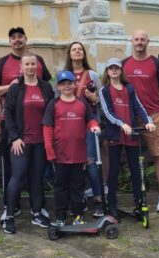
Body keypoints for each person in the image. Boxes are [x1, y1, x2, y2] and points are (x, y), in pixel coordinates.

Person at [0, 27, 52, 221]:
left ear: (26, 39)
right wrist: (11, 87)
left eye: (20, 37)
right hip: (12, 126)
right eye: (13, 38)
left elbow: (48, 95)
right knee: (12, 170)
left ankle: (37, 208)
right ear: (10, 42)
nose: (17, 40)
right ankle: (11, 207)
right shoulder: (3, 62)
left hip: (38, 131)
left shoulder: (39, 63)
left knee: (37, 173)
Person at [2, 53, 55, 234]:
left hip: (41, 141)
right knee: (16, 177)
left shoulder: (46, 87)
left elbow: (52, 112)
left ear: (37, 66)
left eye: (33, 64)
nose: (30, 67)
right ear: (21, 67)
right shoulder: (15, 88)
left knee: (37, 178)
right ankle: (9, 216)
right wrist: (14, 137)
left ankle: (37, 213)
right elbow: (8, 114)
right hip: (21, 142)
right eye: (27, 64)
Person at [123, 30, 159, 212]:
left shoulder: (155, 63)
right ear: (132, 41)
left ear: (147, 42)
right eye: (136, 39)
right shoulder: (124, 64)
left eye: (142, 39)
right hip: (129, 117)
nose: (139, 42)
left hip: (153, 115)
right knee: (122, 153)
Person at [42, 70, 100, 227]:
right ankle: (60, 216)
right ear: (58, 87)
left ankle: (78, 215)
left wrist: (94, 126)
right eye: (63, 84)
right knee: (60, 187)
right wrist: (49, 150)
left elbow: (90, 120)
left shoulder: (82, 103)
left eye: (69, 83)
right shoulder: (53, 104)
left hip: (78, 154)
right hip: (59, 155)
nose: (67, 86)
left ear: (75, 85)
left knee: (77, 187)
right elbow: (47, 128)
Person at [99, 58, 155, 219]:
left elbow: (138, 107)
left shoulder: (129, 89)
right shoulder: (104, 91)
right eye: (111, 68)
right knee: (114, 171)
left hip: (132, 135)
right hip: (115, 135)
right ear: (107, 71)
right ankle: (112, 205)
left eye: (116, 68)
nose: (114, 70)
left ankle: (139, 203)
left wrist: (148, 122)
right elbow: (108, 113)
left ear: (121, 70)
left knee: (136, 171)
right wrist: (121, 124)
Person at [63, 41, 105, 217]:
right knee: (72, 163)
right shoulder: (64, 75)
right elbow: (57, 99)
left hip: (88, 123)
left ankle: (99, 200)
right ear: (69, 54)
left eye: (80, 49)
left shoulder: (92, 75)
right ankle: (77, 200)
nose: (77, 51)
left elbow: (101, 99)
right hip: (68, 124)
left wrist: (94, 98)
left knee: (90, 161)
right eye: (74, 49)